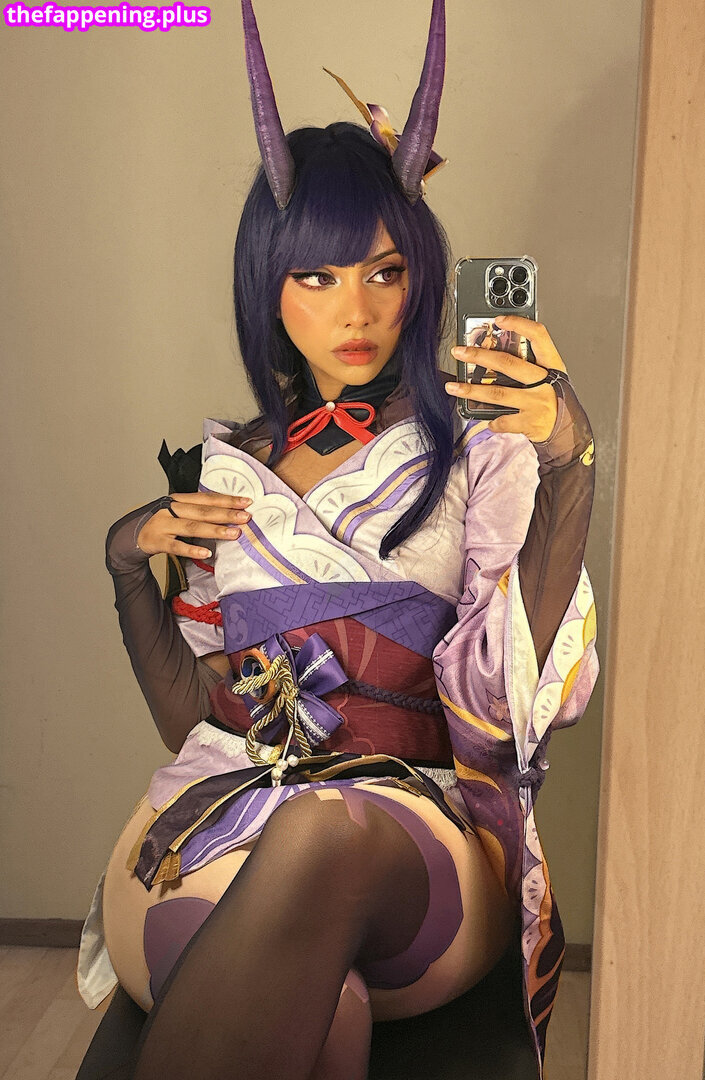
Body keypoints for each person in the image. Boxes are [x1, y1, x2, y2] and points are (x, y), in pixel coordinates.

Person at [76, 1, 598, 1077]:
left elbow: (517, 679)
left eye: (383, 271)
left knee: (326, 831)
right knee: (326, 1010)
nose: (354, 309)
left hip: (410, 839)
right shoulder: (226, 469)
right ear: (267, 285)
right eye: (316, 276)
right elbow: (191, 719)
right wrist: (128, 560)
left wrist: (568, 461)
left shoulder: (480, 448)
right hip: (218, 823)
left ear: (421, 278)